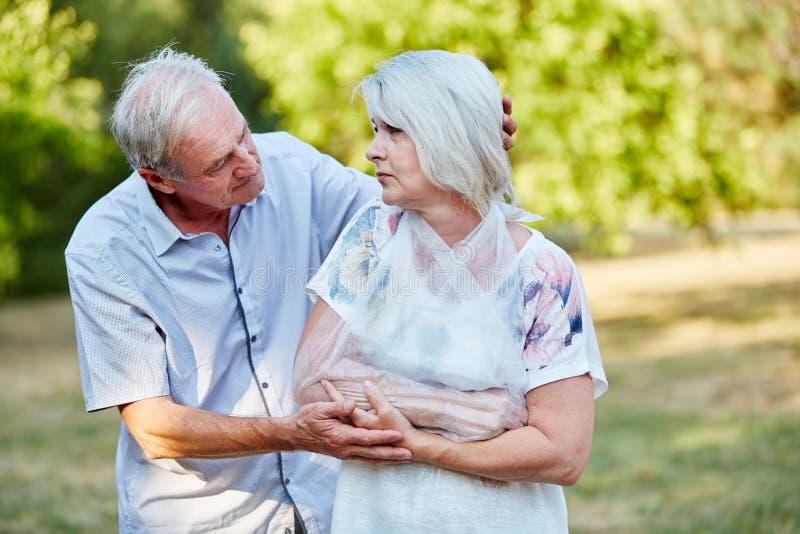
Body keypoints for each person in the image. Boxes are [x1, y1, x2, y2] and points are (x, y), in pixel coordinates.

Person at [65, 47, 517, 533]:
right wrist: (293, 434)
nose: (249, 163)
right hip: (206, 517)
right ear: (158, 179)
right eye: (218, 164)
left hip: (328, 502)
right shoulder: (104, 250)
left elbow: (410, 213)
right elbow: (153, 426)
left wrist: (461, 147)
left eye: (242, 134)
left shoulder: (292, 165)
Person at [292, 50, 607, 533]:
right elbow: (312, 380)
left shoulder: (541, 272)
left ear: (449, 135)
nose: (373, 150)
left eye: (394, 131)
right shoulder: (372, 237)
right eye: (376, 130)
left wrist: (423, 443)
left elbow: (561, 453)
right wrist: (471, 408)